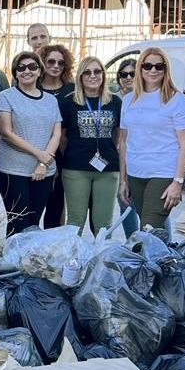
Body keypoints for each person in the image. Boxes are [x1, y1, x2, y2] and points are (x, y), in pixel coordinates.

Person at [119, 47, 185, 231]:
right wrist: (123, 180)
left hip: (163, 173)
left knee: (148, 229)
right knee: (154, 231)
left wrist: (178, 182)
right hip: (135, 174)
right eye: (147, 66)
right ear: (140, 69)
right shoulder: (128, 100)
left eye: (159, 66)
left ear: (165, 70)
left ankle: (150, 259)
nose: (153, 70)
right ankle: (164, 258)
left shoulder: (177, 100)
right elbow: (123, 142)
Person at [0, 51, 62, 236]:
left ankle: (29, 263)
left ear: (40, 71)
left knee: (33, 222)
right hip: (12, 170)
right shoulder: (6, 96)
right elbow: (6, 132)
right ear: (15, 73)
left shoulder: (51, 100)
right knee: (18, 222)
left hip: (44, 171)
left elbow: (56, 134)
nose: (27, 71)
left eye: (32, 67)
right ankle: (12, 263)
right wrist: (38, 154)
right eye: (21, 67)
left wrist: (43, 162)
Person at [60, 57, 122, 236]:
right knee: (75, 222)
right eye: (87, 72)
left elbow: (118, 135)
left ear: (103, 74)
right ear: (80, 76)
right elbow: (63, 137)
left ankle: (101, 261)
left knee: (104, 224)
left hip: (108, 170)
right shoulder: (69, 102)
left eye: (97, 71)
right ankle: (73, 262)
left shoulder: (115, 102)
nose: (92, 76)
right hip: (75, 169)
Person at [38, 44, 76, 228]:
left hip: (63, 152)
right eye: (51, 61)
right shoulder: (33, 86)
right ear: (43, 62)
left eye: (61, 63)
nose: (56, 66)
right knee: (34, 205)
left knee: (56, 204)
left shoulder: (73, 90)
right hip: (36, 150)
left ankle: (51, 249)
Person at [114, 59, 141, 237]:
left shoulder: (148, 97)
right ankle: (133, 241)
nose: (128, 77)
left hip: (143, 156)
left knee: (151, 205)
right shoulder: (114, 99)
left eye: (132, 73)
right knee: (124, 198)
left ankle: (162, 245)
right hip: (120, 156)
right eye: (124, 74)